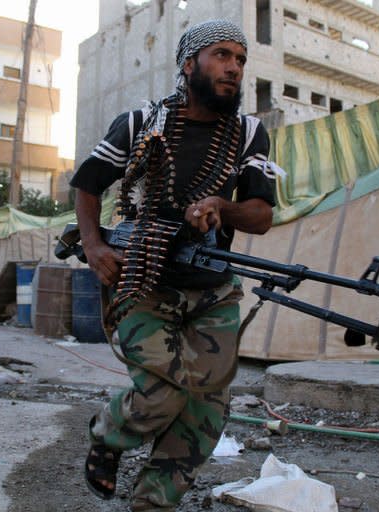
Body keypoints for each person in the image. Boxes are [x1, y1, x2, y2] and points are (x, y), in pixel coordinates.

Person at [69, 19, 277, 511]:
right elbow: (88, 185)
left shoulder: (249, 133)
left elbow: (262, 215)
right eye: (222, 56)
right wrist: (95, 245)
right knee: (162, 396)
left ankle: (153, 502)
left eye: (241, 60)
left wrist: (221, 207)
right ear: (189, 64)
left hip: (213, 288)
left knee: (206, 410)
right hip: (144, 282)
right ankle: (107, 434)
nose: (234, 68)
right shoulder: (144, 123)